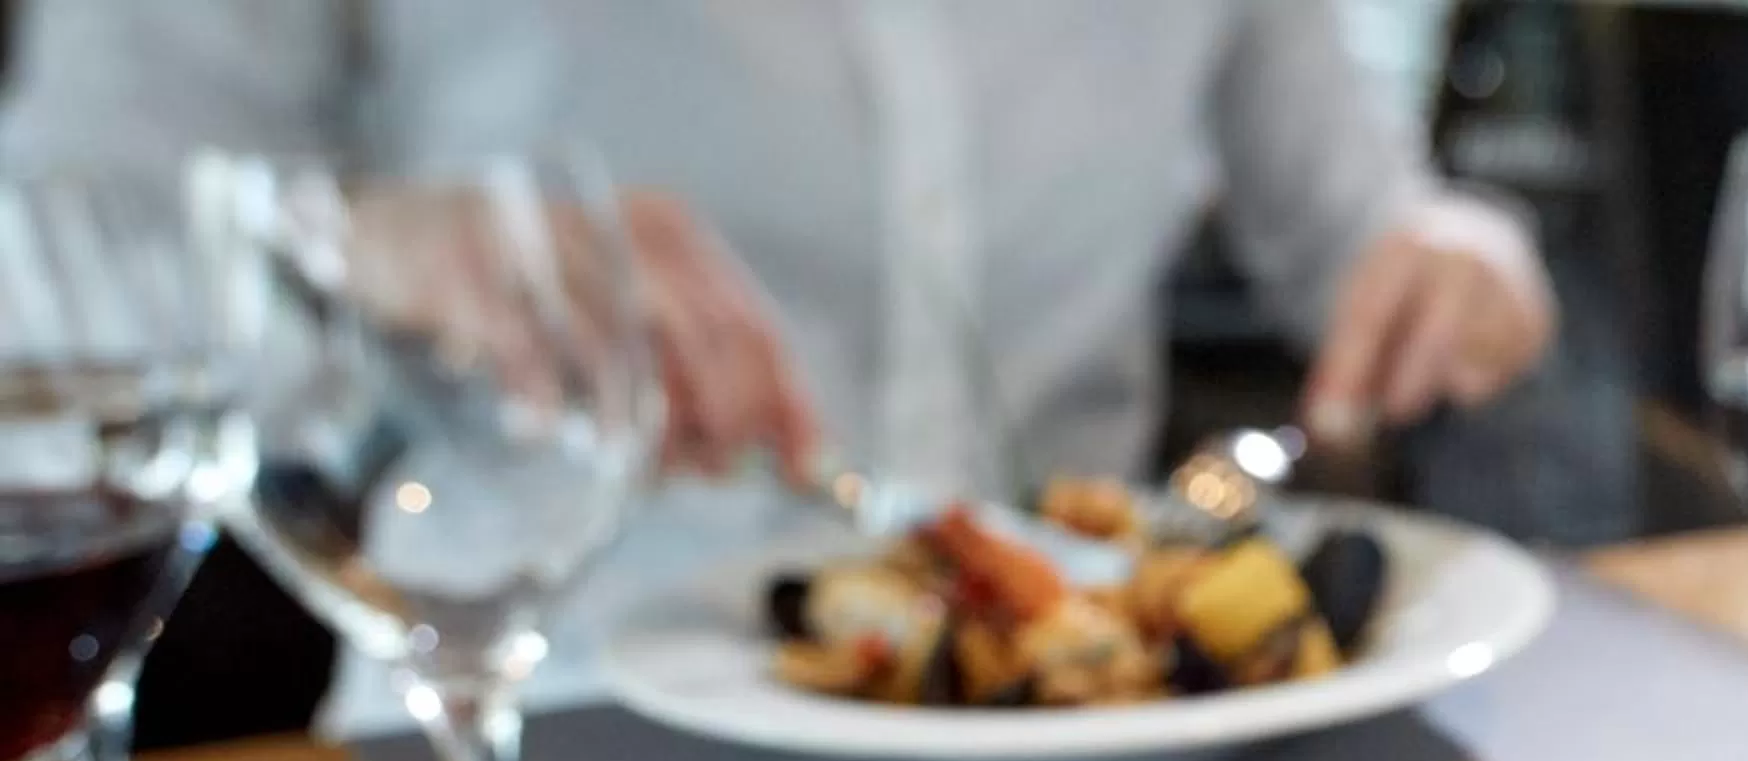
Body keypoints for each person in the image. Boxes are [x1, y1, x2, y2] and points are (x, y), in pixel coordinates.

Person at [0, 0, 1557, 494]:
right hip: (539, 745)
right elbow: (49, 271)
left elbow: (1356, 218)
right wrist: (365, 243)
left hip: (1104, 737)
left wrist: (1446, 253)